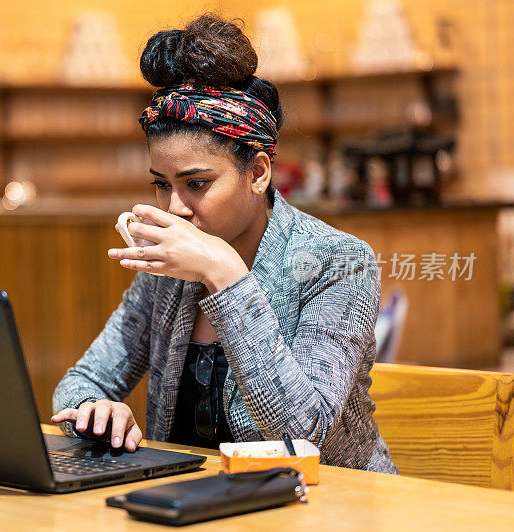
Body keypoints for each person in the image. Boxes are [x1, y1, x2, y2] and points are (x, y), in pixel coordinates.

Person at [52, 14, 397, 473]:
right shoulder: (168, 266)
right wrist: (94, 411)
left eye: (196, 184)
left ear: (257, 173)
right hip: (194, 502)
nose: (175, 208)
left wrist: (225, 274)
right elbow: (82, 381)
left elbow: (304, 432)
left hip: (328, 506)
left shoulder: (338, 261)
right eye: (161, 184)